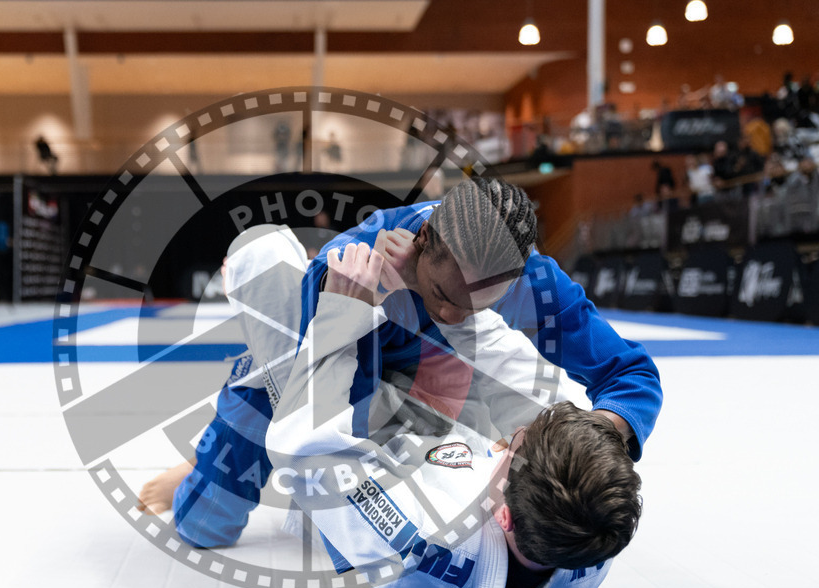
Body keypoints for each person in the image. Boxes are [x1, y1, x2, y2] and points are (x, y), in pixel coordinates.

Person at [139, 177, 661, 553]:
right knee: (205, 528)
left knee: (548, 454)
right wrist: (398, 580)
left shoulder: (535, 282)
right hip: (316, 375)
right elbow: (329, 432)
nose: (455, 311)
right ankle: (208, 456)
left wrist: (598, 432)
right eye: (441, 292)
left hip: (433, 378)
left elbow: (631, 375)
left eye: (478, 301)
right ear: (423, 240)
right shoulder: (351, 264)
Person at [266, 239, 642, 588]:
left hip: (355, 458)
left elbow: (305, 449)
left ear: (504, 515)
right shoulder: (590, 548)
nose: (513, 436)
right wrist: (451, 307)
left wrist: (341, 313)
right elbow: (524, 386)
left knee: (260, 254)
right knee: (510, 395)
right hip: (427, 435)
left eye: (512, 448)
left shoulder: (418, 543)